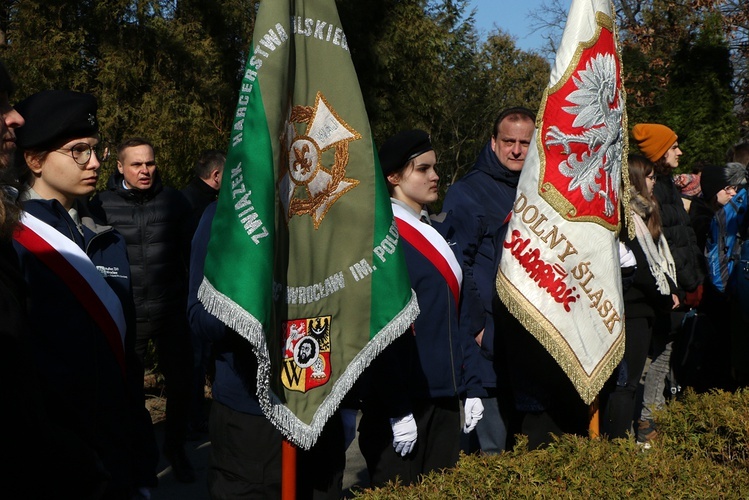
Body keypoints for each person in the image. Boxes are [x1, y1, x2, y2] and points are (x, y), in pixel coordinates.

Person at [11, 89, 159, 497]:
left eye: (95, 149)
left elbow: (127, 364)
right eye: (78, 151)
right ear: (34, 160)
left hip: (115, 458)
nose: (94, 163)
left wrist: (142, 466)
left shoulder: (106, 236)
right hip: (54, 465)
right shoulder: (14, 241)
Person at [188, 201, 349, 499]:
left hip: (319, 407)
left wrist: (347, 399)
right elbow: (199, 318)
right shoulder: (224, 215)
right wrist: (248, 303)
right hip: (251, 420)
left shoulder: (326, 212)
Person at [357, 129, 485, 487]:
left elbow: (457, 318)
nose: (435, 176)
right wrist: (397, 408)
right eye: (423, 169)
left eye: (435, 168)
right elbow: (380, 329)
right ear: (393, 177)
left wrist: (472, 385)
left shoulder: (436, 233)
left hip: (444, 397)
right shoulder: (383, 239)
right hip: (402, 402)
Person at [89, 137, 196, 483]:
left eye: (149, 163)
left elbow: (191, 255)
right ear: (120, 167)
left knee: (182, 386)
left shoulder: (175, 202)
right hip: (126, 315)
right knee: (128, 391)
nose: (145, 170)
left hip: (170, 311)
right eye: (136, 164)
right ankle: (139, 458)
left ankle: (177, 449)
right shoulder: (99, 205)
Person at [441, 106, 535, 454]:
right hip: (487, 343)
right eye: (508, 141)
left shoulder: (539, 190)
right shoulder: (468, 192)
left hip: (526, 341)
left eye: (524, 143)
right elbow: (456, 264)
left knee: (524, 447)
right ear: (493, 142)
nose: (515, 150)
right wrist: (479, 326)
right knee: (489, 452)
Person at [601, 154, 680, 440]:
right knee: (626, 382)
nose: (653, 181)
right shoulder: (627, 218)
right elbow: (643, 268)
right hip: (631, 309)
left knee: (627, 382)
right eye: (648, 176)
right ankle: (617, 445)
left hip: (641, 309)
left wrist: (671, 288)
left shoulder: (644, 213)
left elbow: (658, 260)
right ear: (634, 179)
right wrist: (664, 295)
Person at [631, 123, 704, 308]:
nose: (679, 152)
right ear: (659, 152)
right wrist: (687, 284)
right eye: (673, 148)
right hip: (678, 287)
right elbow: (667, 242)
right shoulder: (654, 191)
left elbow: (684, 234)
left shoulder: (667, 184)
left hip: (690, 281)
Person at [182, 148, 225, 438]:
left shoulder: (187, 199)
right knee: (196, 363)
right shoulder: (201, 207)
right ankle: (195, 419)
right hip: (198, 296)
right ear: (217, 175)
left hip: (195, 294)